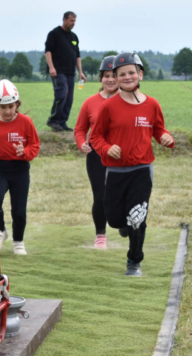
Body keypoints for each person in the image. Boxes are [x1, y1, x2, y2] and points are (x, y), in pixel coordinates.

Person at [90, 52, 175, 277]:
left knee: (137, 217)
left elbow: (159, 130)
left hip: (142, 170)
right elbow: (95, 137)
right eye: (121, 74)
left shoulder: (152, 105)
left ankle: (134, 261)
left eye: (131, 72)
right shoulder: (109, 106)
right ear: (115, 78)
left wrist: (166, 138)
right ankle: (123, 225)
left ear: (140, 74)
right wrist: (107, 148)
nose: (127, 77)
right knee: (115, 219)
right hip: (115, 171)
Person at [0, 79, 40, 255]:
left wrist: (25, 152)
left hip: (20, 169)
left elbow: (35, 146)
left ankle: (18, 242)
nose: (7, 111)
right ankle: (1, 230)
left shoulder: (26, 122)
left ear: (17, 104)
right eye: (3, 107)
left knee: (19, 210)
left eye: (11, 106)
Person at [74, 56, 119, 249]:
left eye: (114, 75)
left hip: (121, 155)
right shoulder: (90, 102)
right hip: (96, 156)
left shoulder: (129, 101)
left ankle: (123, 224)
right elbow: (80, 129)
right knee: (100, 196)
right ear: (101, 78)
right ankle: (101, 235)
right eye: (106, 76)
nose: (110, 80)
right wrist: (81, 144)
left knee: (120, 195)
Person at [44, 11, 87, 132]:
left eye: (74, 21)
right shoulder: (54, 34)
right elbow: (48, 51)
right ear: (64, 20)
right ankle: (53, 120)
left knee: (69, 98)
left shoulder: (74, 37)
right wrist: (51, 67)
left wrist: (80, 72)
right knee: (62, 93)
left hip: (70, 72)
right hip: (58, 71)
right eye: (71, 21)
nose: (73, 23)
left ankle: (62, 122)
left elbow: (77, 56)